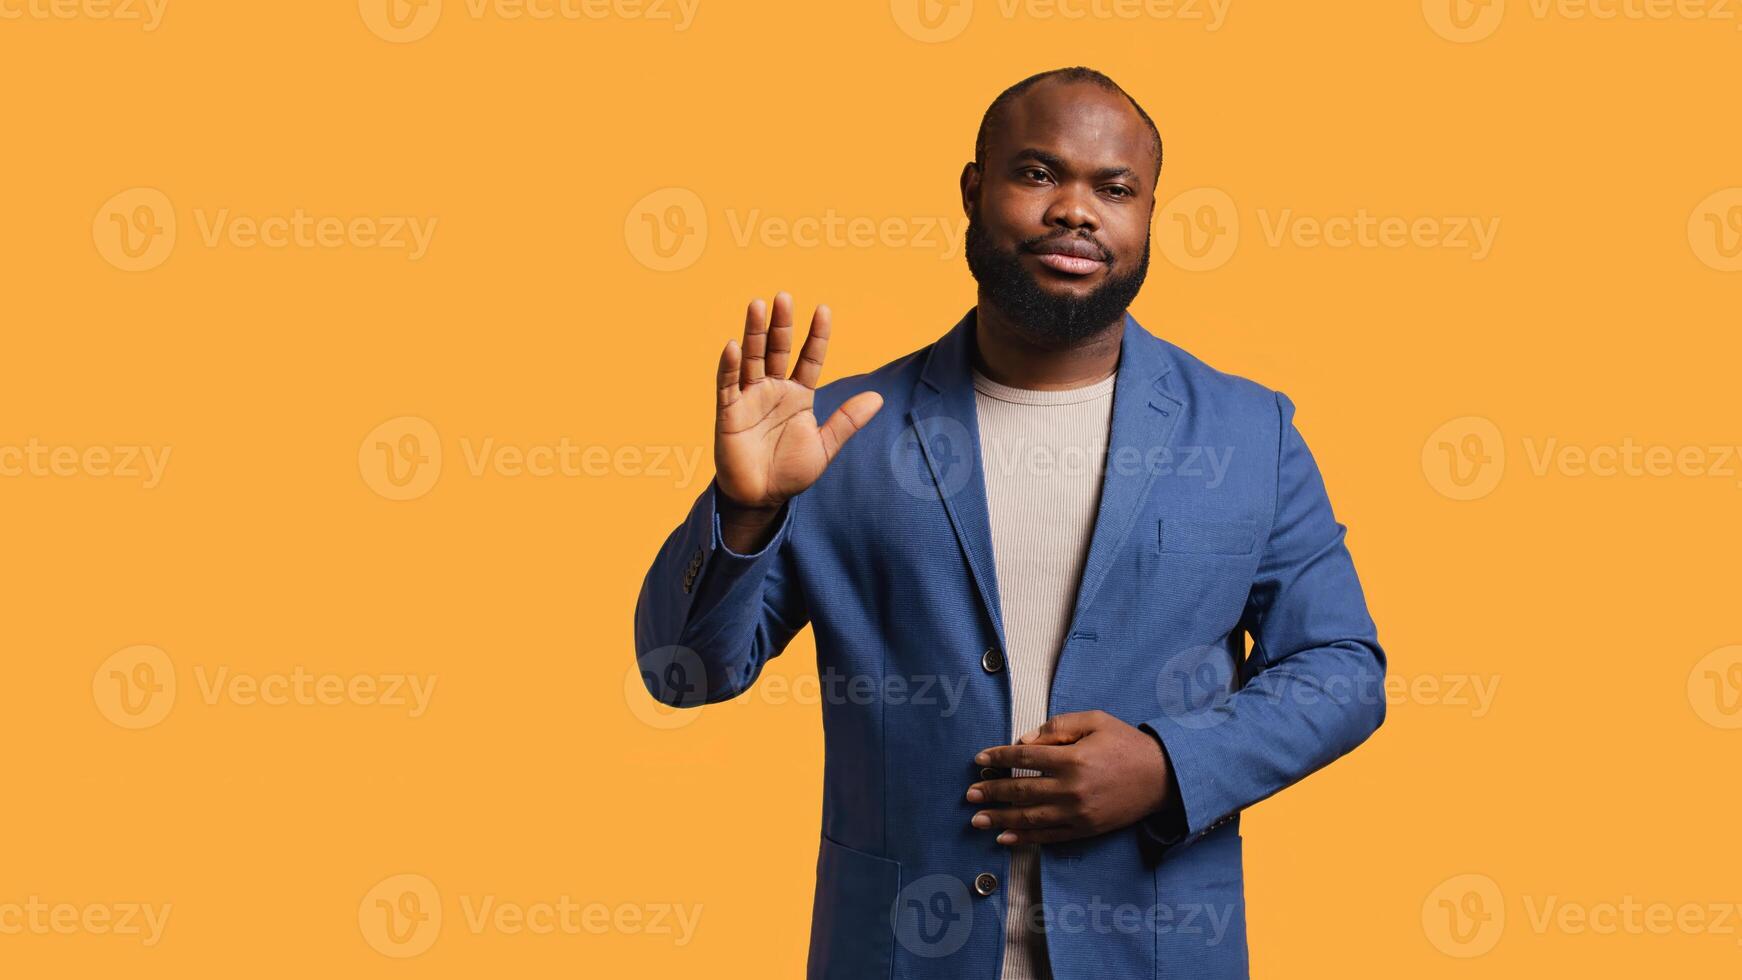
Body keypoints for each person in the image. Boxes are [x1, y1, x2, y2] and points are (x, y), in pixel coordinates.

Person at [632, 66, 1387, 980]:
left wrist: (1166, 766)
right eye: (1038, 174)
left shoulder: (1247, 432)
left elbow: (1343, 670)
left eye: (1116, 188)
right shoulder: (838, 436)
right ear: (973, 191)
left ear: (1149, 216)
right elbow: (686, 677)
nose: (1077, 210)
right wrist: (748, 512)